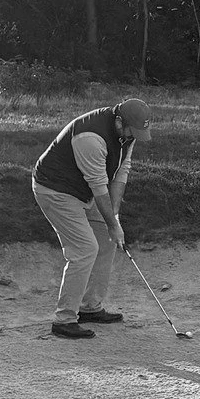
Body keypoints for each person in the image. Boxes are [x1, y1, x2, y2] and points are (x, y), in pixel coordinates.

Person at [32, 98, 151, 339]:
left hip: (85, 188)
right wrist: (111, 223)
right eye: (132, 131)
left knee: (107, 240)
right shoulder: (90, 138)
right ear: (119, 121)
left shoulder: (127, 135)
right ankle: (64, 320)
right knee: (85, 248)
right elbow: (98, 185)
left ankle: (89, 307)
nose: (133, 137)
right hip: (56, 190)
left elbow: (120, 173)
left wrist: (114, 219)